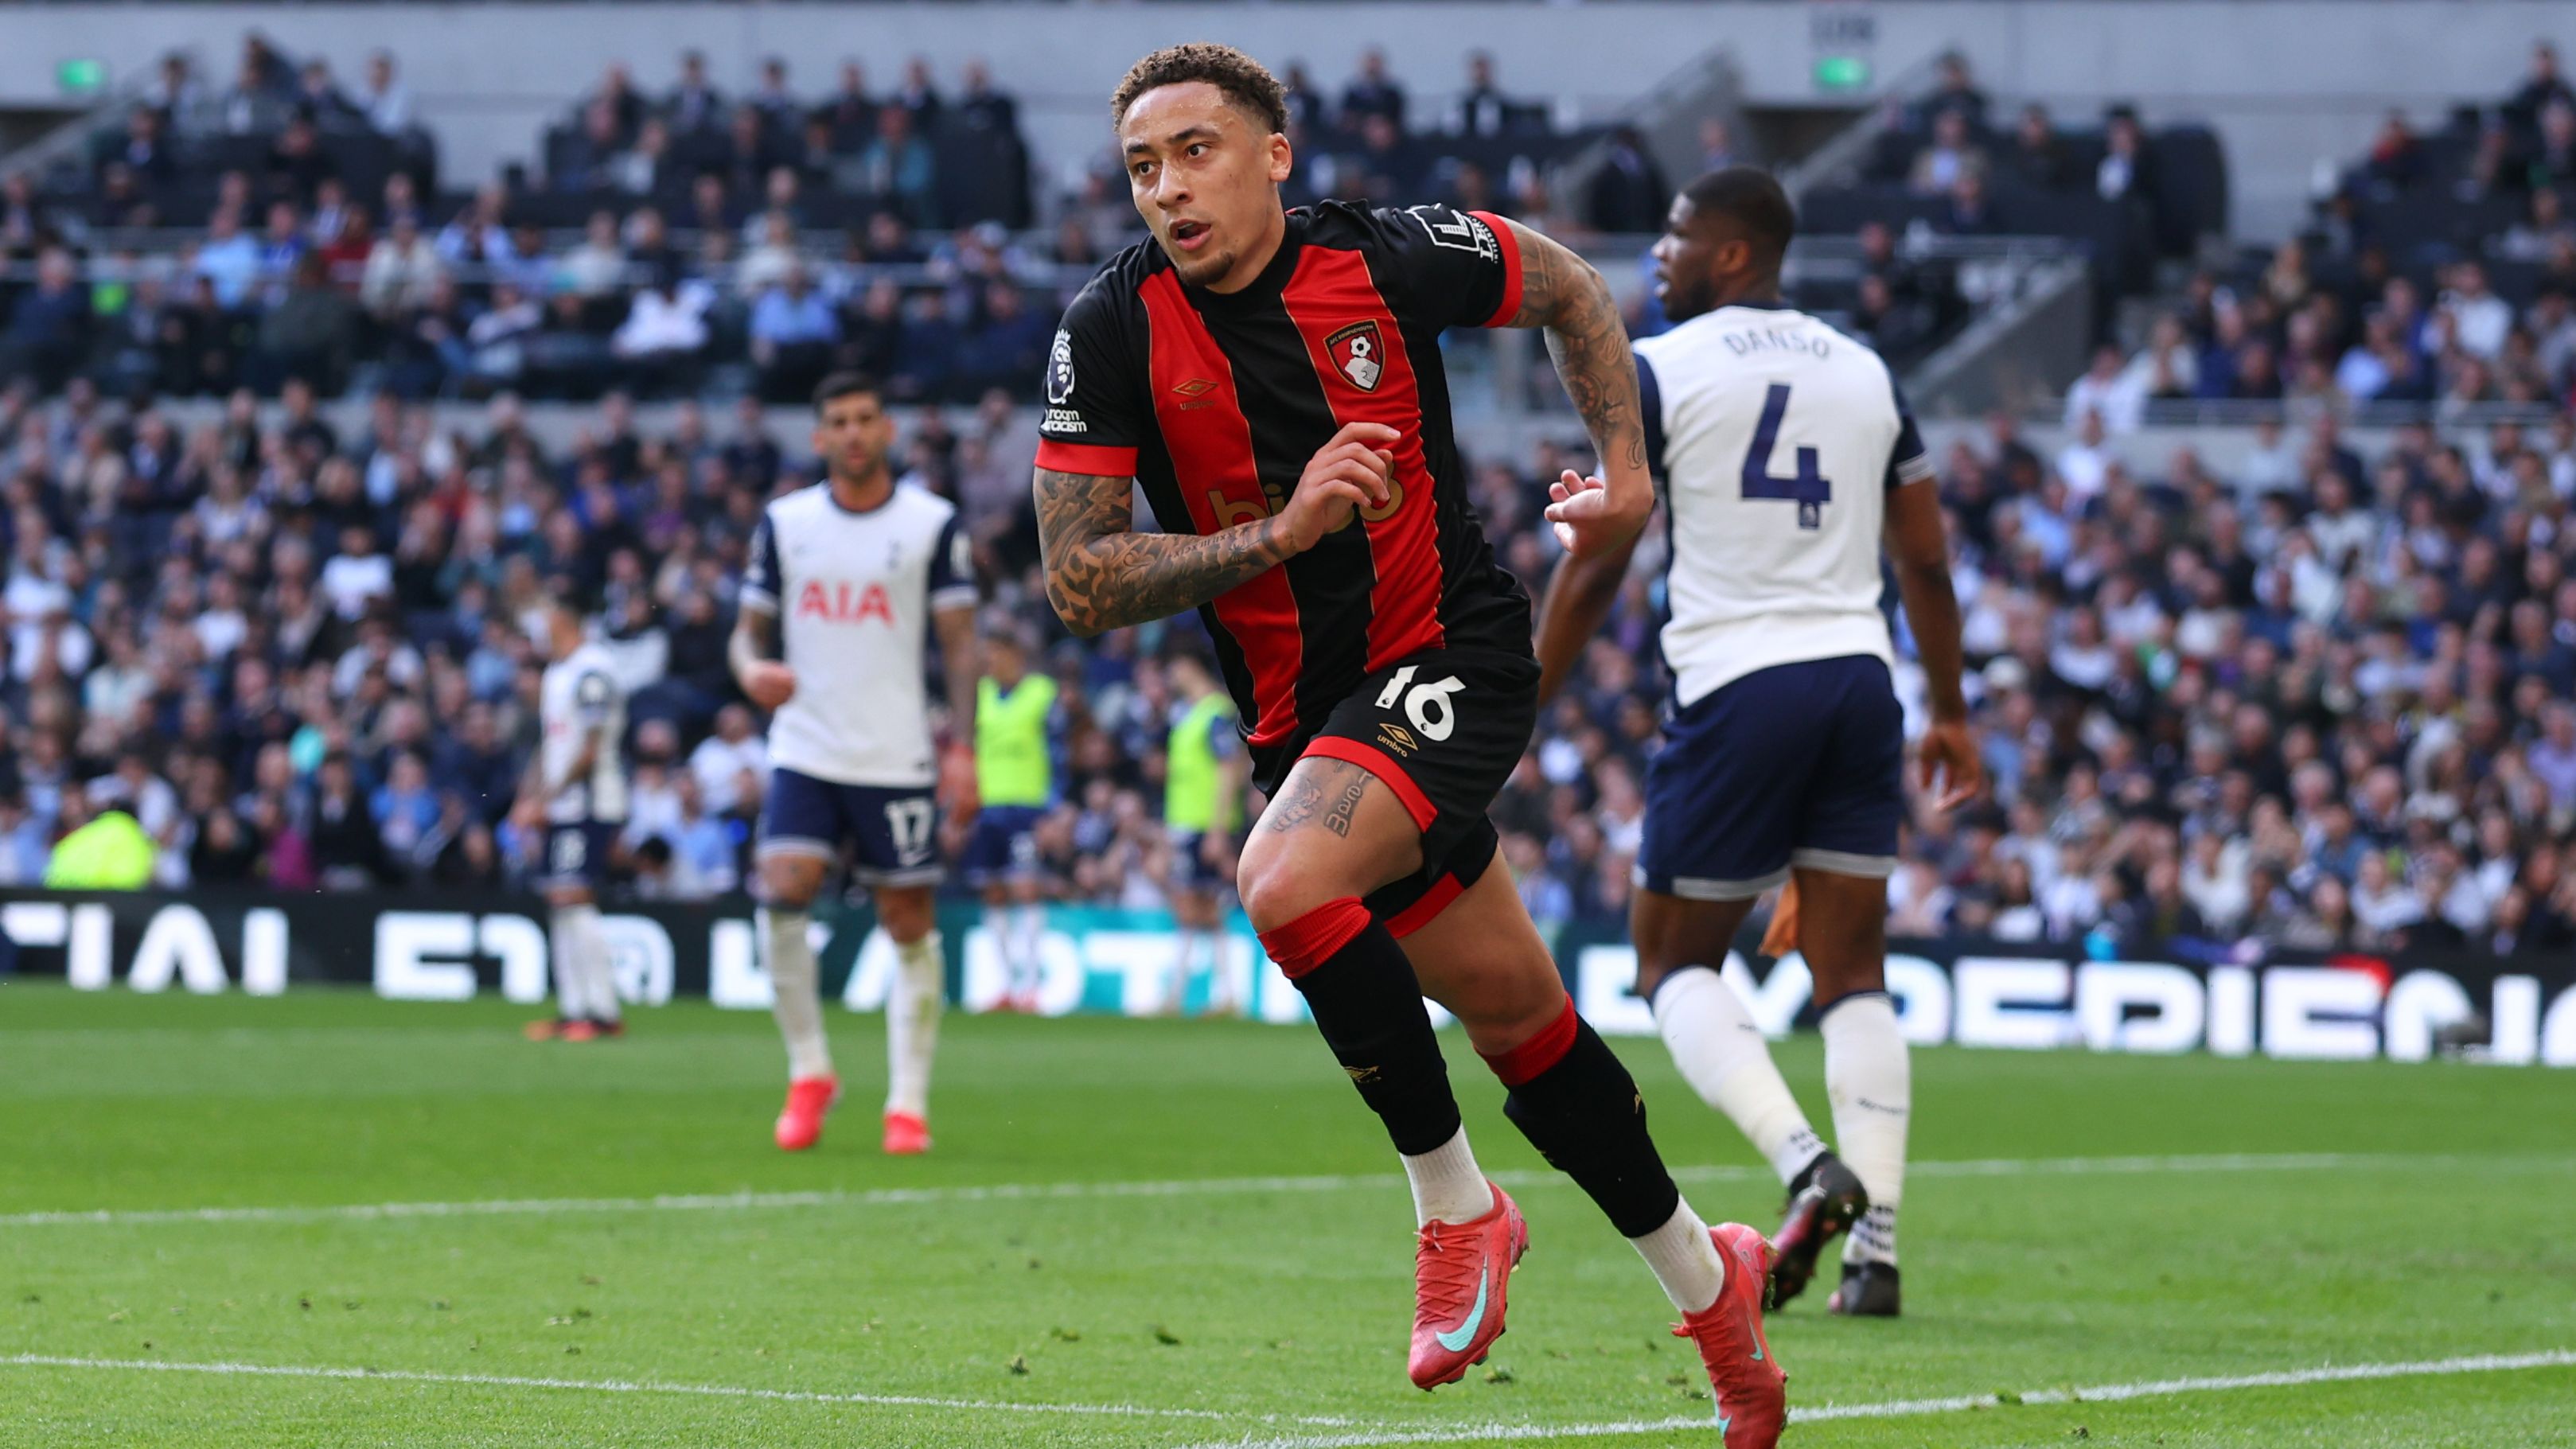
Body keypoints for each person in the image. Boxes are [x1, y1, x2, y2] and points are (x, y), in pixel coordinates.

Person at [1034, 44, 1782, 1438]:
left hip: (1450, 656)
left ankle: (1458, 1209)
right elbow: (1075, 583)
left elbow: (1567, 285)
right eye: (1142, 166)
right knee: (1518, 1022)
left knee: (1281, 884)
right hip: (1304, 728)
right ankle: (1712, 1284)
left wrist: (1623, 474)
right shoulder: (1111, 327)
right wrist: (1275, 531)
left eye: (1196, 150)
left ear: (1275, 154)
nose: (1166, 189)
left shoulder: (1386, 258)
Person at [1534, 168, 1983, 1323]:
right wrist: (1950, 707)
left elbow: (1603, 554)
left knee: (1669, 961)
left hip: (1738, 680)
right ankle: (1875, 1252)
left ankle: (1802, 1164)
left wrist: (1522, 699)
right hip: (1859, 678)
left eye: (1680, 235)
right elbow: (1924, 560)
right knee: (1852, 975)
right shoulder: (1869, 373)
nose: (1660, 254)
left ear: (1733, 255)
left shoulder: (1658, 366)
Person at [733, 372, 980, 1155]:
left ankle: (906, 1103)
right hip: (806, 745)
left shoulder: (932, 524)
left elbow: (960, 644)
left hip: (895, 752)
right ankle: (810, 1071)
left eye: (865, 419)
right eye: (837, 420)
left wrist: (964, 749)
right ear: (818, 437)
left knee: (907, 922)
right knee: (783, 890)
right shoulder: (786, 523)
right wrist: (749, 670)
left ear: (886, 431)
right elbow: (748, 631)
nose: (851, 432)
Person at [519, 594, 630, 1044]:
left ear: (563, 618)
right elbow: (553, 744)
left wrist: (547, 798)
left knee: (576, 899)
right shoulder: (557, 673)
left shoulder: (593, 670)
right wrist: (529, 796)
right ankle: (572, 1009)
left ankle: (602, 1011)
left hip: (588, 802)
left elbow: (590, 749)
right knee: (559, 902)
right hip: (560, 804)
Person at [967, 625, 1057, 1012]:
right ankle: (1005, 984)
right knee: (993, 892)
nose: (988, 662)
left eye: (994, 653)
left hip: (1028, 808)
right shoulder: (980, 696)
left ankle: (1032, 987)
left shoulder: (1042, 694)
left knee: (1026, 890)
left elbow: (1059, 752)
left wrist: (1055, 809)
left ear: (1014, 654)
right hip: (988, 809)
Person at [1163, 647, 1248, 1015]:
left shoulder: (1216, 714)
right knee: (1191, 907)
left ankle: (1222, 994)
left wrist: (1216, 829)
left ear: (1189, 665)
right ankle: (1189, 993)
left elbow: (1230, 770)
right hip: (1185, 823)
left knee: (1209, 908)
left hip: (1204, 824)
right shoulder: (1187, 713)